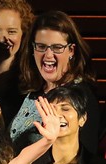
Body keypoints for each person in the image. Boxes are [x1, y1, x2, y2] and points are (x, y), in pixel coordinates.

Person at [10, 10, 100, 154]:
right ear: (33, 49)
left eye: (57, 47)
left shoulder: (81, 97)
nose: (48, 55)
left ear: (71, 50)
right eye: (41, 46)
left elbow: (82, 162)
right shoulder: (32, 91)